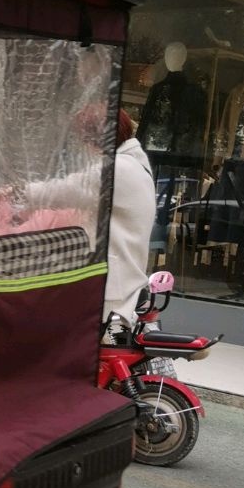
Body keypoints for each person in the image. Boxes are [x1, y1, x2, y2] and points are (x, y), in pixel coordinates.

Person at [104, 109, 156, 326]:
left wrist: (11, 194)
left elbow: (63, 190)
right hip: (128, 276)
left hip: (112, 285)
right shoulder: (135, 164)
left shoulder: (117, 168)